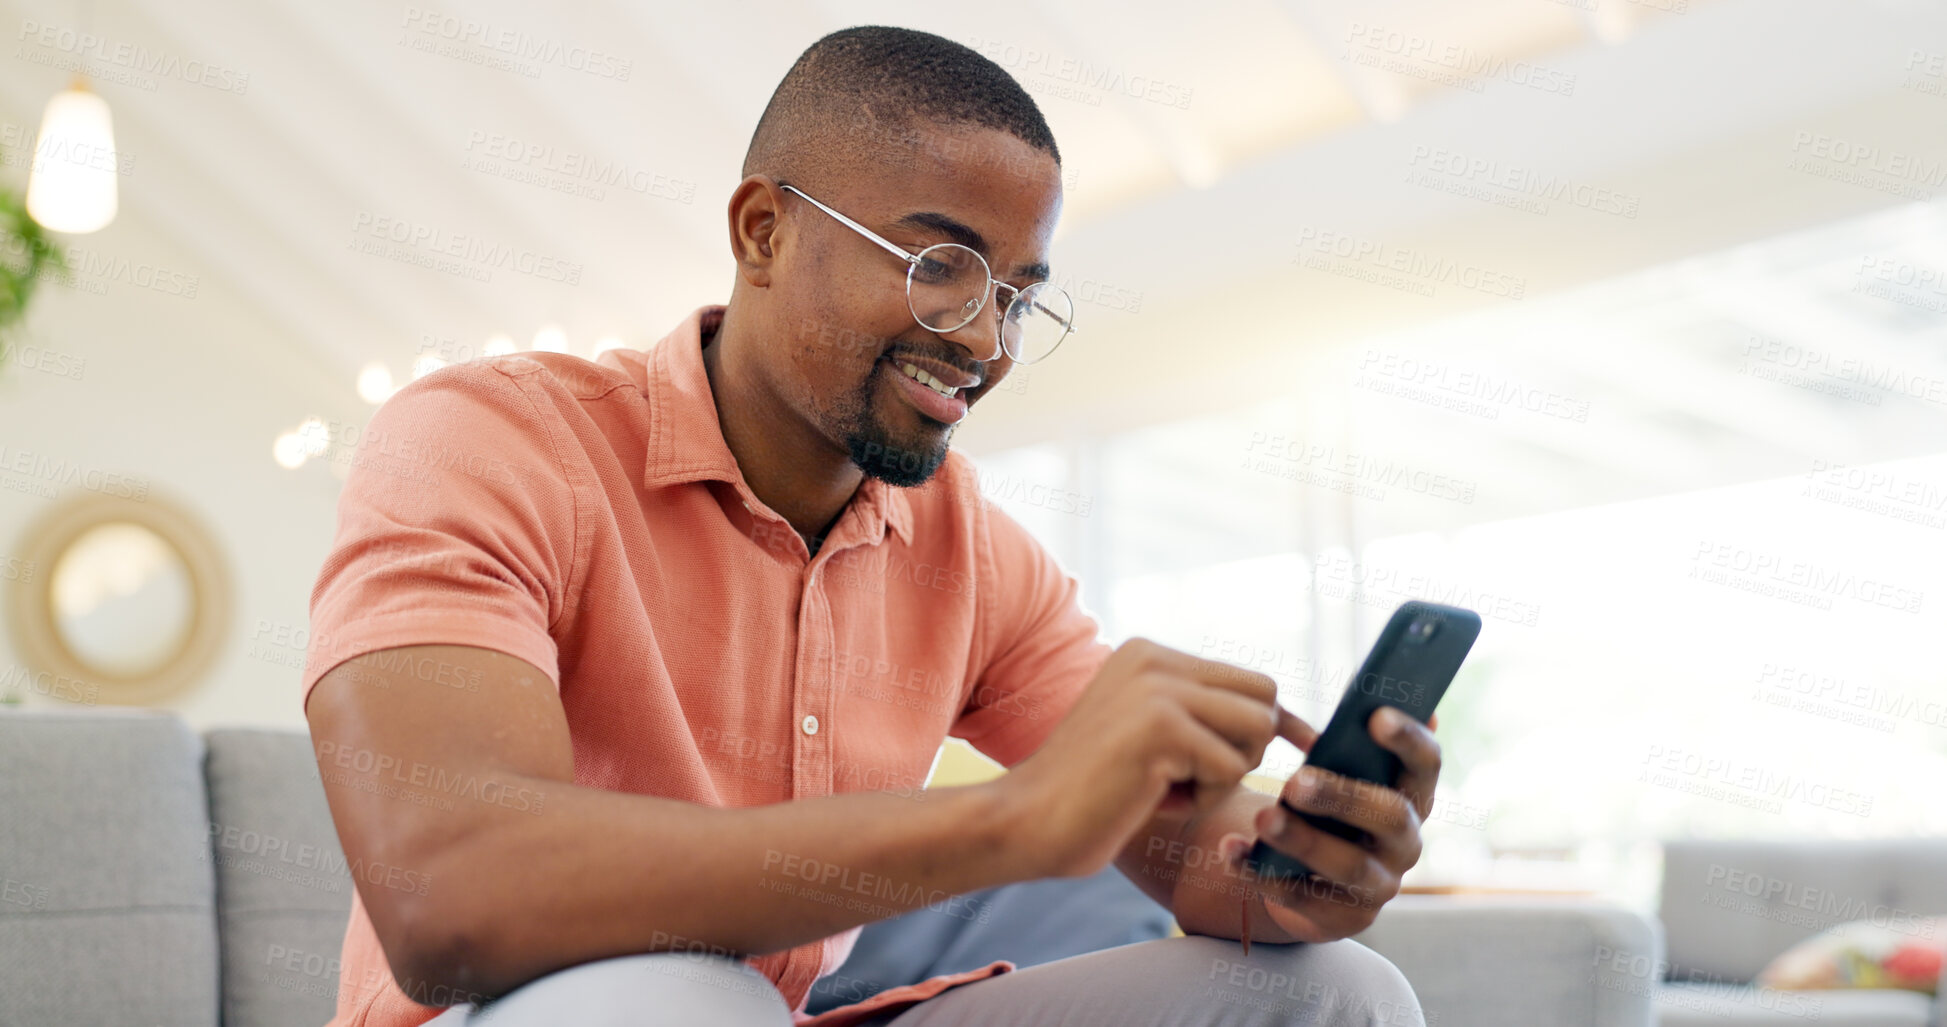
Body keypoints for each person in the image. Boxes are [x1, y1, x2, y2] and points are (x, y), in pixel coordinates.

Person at [301, 25, 1438, 1027]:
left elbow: (1183, 849)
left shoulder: (975, 554)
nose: (985, 339)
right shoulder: (487, 439)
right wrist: (1011, 822)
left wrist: (1299, 869)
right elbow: (443, 895)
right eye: (940, 265)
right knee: (684, 991)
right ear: (761, 232)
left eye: (1017, 293)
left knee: (1336, 996)